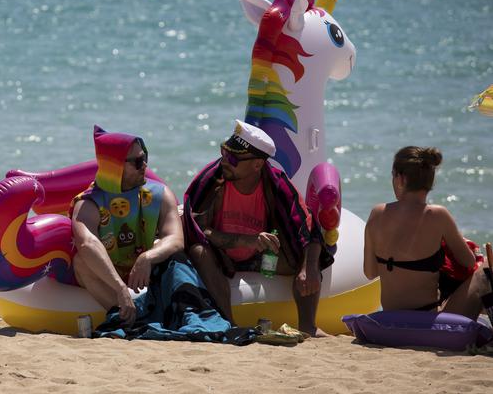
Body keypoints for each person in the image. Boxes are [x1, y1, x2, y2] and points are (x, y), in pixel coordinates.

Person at [183, 120, 332, 336]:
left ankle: (308, 325)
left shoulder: (276, 184)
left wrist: (307, 268)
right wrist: (247, 240)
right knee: (198, 251)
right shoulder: (213, 179)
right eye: (224, 152)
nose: (225, 161)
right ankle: (230, 324)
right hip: (222, 255)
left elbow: (308, 226)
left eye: (233, 158)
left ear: (257, 164)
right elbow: (198, 229)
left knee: (308, 256)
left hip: (263, 258)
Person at [71, 126, 184, 326]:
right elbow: (87, 244)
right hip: (108, 275)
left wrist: (147, 257)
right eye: (138, 161)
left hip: (142, 271)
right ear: (115, 166)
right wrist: (120, 288)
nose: (145, 165)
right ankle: (129, 317)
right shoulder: (89, 203)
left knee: (174, 254)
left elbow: (175, 238)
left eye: (145, 157)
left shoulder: (158, 193)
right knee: (81, 262)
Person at [363, 146, 490, 318]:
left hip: (391, 317)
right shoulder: (438, 215)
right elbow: (468, 262)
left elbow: (370, 273)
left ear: (400, 178)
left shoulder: (377, 213)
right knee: (487, 267)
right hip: (426, 319)